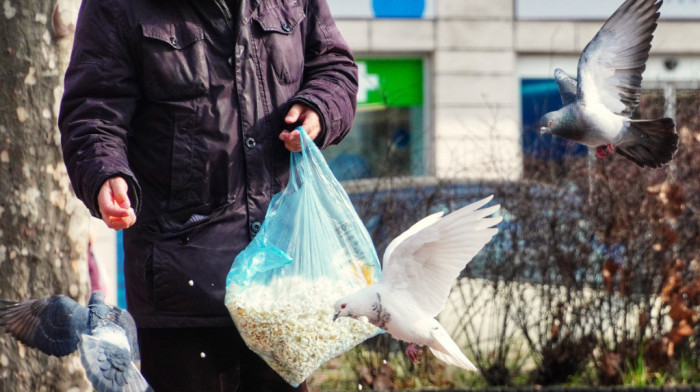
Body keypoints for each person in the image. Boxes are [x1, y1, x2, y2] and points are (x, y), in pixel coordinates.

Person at [58, 0, 358, 390]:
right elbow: (93, 113)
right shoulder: (115, 6)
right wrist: (104, 175)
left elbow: (335, 68)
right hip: (179, 291)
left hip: (283, 286)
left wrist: (319, 107)